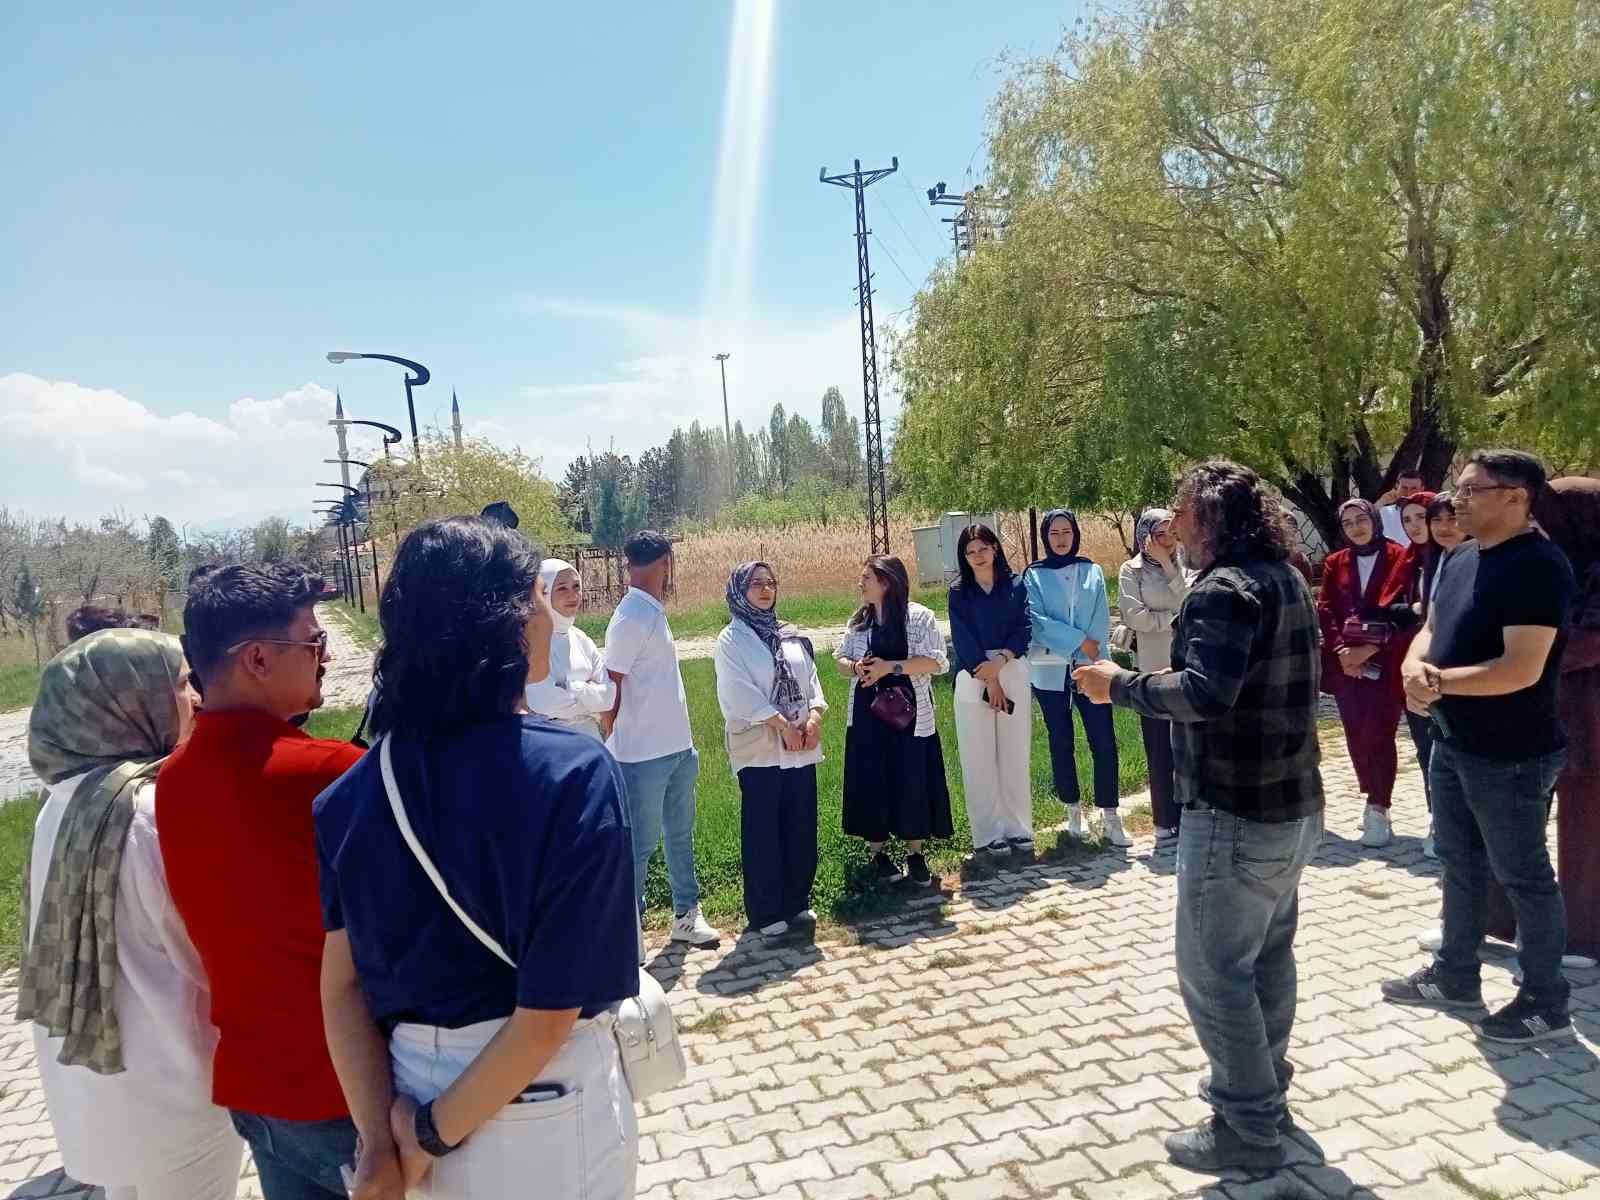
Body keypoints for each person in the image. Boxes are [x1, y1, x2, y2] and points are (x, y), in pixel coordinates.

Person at [315, 516, 639, 1200]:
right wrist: (427, 1132)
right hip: (534, 1102)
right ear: (505, 624)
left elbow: (340, 987)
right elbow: (549, 1012)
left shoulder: (351, 794)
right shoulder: (571, 772)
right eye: (535, 600)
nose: (550, 618)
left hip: (404, 1088)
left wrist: (380, 1140)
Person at [1075, 460, 1324, 1173]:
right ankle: (1266, 1093)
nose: (1172, 526)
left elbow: (1207, 693)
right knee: (1268, 960)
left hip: (1235, 809)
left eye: (1182, 512)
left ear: (1210, 518)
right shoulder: (1287, 578)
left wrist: (1120, 685)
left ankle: (1246, 1128)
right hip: (1294, 806)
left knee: (1215, 973)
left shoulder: (1222, 589)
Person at [157, 564, 366, 1200]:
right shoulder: (330, 774)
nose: (324, 657)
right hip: (345, 1091)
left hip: (256, 1090)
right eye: (313, 642)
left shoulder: (171, 780)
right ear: (256, 658)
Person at [22, 628, 243, 1200]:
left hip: (97, 1093)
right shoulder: (152, 810)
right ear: (130, 702)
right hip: (178, 1090)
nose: (195, 698)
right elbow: (208, 953)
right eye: (178, 684)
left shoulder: (62, 804)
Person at [1383, 450, 1577, 1044]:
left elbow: (1519, 668)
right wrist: (1415, 669)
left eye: (1472, 490)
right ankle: (1456, 975)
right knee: (1458, 862)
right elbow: (1433, 627)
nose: (1457, 500)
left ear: (1517, 497)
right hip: (1454, 739)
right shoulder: (1461, 556)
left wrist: (1435, 683)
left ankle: (1546, 1000)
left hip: (1513, 752)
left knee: (1524, 876)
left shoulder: (1539, 567)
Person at [604, 530, 720, 948]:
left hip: (676, 750)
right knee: (639, 846)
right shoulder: (632, 616)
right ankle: (628, 933)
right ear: (666, 563)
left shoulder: (649, 610)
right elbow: (610, 687)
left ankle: (686, 916)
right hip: (641, 756)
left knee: (679, 836)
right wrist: (610, 741)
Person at [713, 561, 828, 936]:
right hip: (761, 750)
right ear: (739, 591)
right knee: (764, 831)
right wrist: (781, 726)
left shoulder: (791, 635)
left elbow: (811, 679)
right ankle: (766, 912)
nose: (765, 590)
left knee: (800, 825)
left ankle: (797, 901)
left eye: (771, 583)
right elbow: (737, 694)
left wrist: (813, 718)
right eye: (756, 584)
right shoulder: (732, 640)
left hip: (800, 746)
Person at [837, 555, 952, 886]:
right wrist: (855, 667)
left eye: (866, 578)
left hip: (910, 715)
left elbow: (935, 662)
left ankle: (915, 853)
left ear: (886, 581)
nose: (860, 584)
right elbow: (841, 661)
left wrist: (891, 667)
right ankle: (878, 853)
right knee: (873, 779)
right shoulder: (859, 621)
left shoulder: (918, 617)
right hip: (866, 715)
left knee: (911, 779)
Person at [1316, 498, 1416, 848]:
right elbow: (1326, 610)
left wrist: (1371, 649)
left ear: (1375, 520)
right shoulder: (1335, 562)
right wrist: (1344, 652)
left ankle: (1378, 806)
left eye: (1362, 519)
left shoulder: (1400, 557)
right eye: (1348, 523)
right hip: (1347, 667)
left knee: (1379, 732)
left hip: (1386, 662)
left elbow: (1405, 611)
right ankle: (1370, 794)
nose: (1357, 527)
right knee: (1356, 734)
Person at [1025, 509, 1126, 846]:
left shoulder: (1092, 571)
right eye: (1054, 533)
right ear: (1045, 537)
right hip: (1050, 670)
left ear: (1075, 533)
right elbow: (1037, 621)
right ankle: (1072, 811)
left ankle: (1110, 815)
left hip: (1092, 667)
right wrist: (1077, 640)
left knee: (1104, 741)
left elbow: (1099, 618)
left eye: (1066, 531)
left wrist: (1089, 652)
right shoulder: (1033, 575)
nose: (1061, 538)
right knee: (1061, 741)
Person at [1534, 477, 1600, 963]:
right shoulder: (1556, 564)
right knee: (1515, 822)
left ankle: (1585, 933)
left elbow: (1587, 644)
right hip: (1541, 716)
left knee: (1584, 830)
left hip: (1590, 721)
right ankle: (1500, 919)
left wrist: (1522, 649)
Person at [947, 524, 1034, 856]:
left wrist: (1003, 661)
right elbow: (963, 638)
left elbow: (1023, 627)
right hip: (974, 676)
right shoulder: (958, 592)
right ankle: (988, 834)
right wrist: (991, 678)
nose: (977, 556)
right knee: (978, 756)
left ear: (995, 548)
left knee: (1014, 752)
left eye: (983, 548)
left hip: (1011, 667)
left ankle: (1018, 827)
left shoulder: (1015, 585)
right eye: (970, 552)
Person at [1117, 509, 1191, 843]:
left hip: (1188, 665)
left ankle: (1192, 815)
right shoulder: (1129, 570)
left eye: (1172, 534)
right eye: (1160, 535)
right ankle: (1163, 819)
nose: (1168, 541)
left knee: (1190, 745)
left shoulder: (1185, 564)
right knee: (1159, 746)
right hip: (1150, 665)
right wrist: (1174, 620)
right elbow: (1135, 617)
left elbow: (1191, 600)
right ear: (1145, 535)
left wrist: (1168, 564)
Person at [525, 558, 615, 740]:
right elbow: (545, 702)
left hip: (591, 741)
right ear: (544, 593)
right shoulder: (533, 640)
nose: (572, 595)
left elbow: (609, 697)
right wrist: (591, 699)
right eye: (562, 588)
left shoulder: (582, 639)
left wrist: (572, 688)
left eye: (576, 586)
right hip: (552, 742)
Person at [1379, 468, 1427, 544]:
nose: (1408, 493)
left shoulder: (1430, 512)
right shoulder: (1383, 512)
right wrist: (1380, 503)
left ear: (1422, 489)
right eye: (1404, 488)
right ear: (1397, 487)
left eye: (1413, 488)